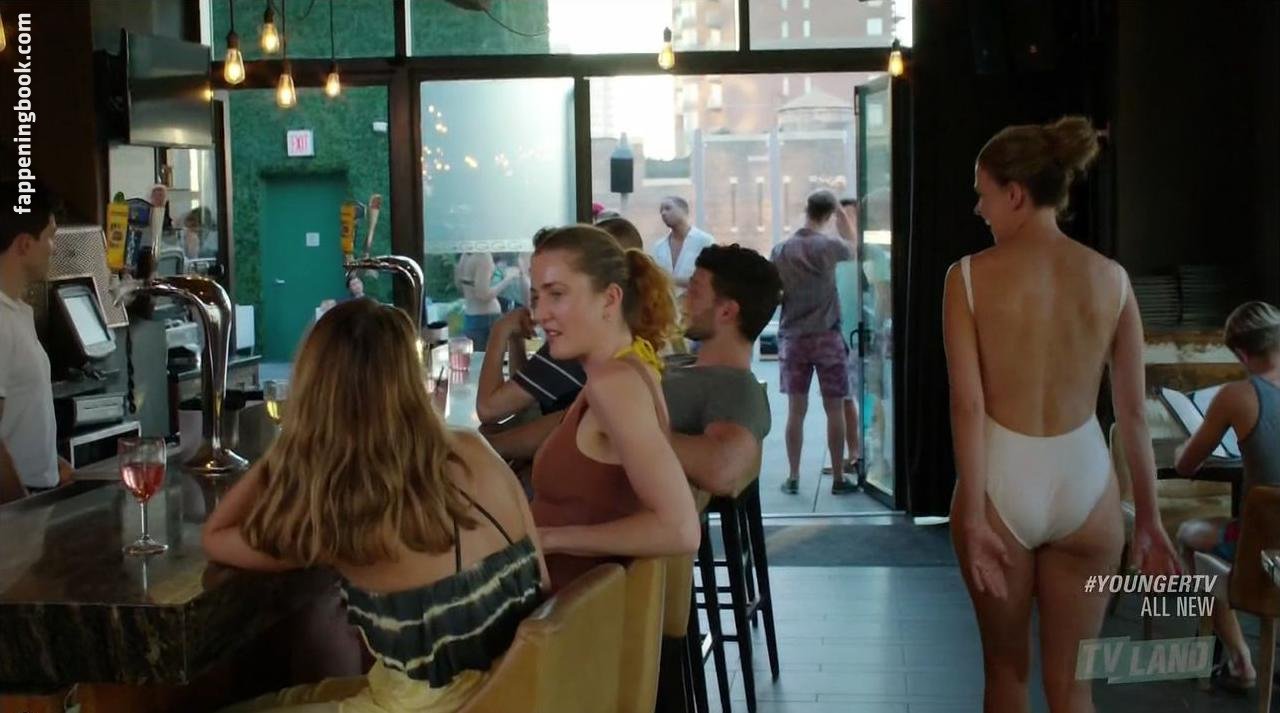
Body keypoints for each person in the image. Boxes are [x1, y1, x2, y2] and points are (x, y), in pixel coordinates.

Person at [204, 299, 548, 713]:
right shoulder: (476, 449)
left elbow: (216, 537)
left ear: (313, 391)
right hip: (518, 693)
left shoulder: (344, 511)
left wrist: (292, 440)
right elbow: (542, 583)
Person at [944, 116, 1180, 712]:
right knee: (1075, 688)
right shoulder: (1112, 278)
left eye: (983, 193)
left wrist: (972, 517)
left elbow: (968, 406)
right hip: (1088, 487)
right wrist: (1149, 519)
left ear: (1015, 194)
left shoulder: (967, 279)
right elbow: (1132, 411)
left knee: (1005, 676)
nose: (979, 209)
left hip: (1001, 487)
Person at [527, 225, 699, 592]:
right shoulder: (630, 364)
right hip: (569, 602)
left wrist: (549, 538)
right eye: (536, 297)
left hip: (564, 609)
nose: (540, 314)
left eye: (556, 295)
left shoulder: (614, 384)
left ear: (609, 299)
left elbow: (680, 529)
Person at [1174, 301, 1280, 692]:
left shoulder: (1237, 396)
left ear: (1242, 354)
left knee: (1187, 535)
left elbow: (1186, 465)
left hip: (1261, 550)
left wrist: (1182, 448)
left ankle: (1240, 661)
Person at [664, 244, 779, 495]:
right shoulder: (678, 361)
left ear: (726, 311)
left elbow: (722, 470)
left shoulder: (737, 389)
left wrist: (625, 431)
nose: (683, 300)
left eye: (694, 292)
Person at [771, 189, 859, 495]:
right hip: (827, 338)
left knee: (796, 411)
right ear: (829, 214)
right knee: (834, 409)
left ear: (806, 210)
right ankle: (838, 478)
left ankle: (793, 476)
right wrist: (843, 216)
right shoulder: (829, 246)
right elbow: (854, 248)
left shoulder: (781, 250)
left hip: (793, 339)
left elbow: (775, 292)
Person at [1, 180, 73, 503]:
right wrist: (23, 507)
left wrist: (49, 463)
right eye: (50, 237)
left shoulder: (16, 312)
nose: (53, 248)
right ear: (25, 245)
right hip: (16, 510)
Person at [821, 197, 864, 480]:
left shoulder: (865, 253)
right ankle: (853, 454)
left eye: (847, 218)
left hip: (861, 337)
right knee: (844, 400)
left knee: (862, 400)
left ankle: (863, 457)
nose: (841, 223)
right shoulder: (834, 255)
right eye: (838, 218)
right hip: (838, 337)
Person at [649, 196, 715, 295]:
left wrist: (671, 280)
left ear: (684, 211)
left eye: (668, 208)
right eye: (661, 211)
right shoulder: (658, 247)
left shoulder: (705, 241)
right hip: (665, 302)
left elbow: (711, 278)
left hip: (695, 300)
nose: (663, 213)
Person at [454, 252, 520, 348]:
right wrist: (508, 278)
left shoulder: (466, 255)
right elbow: (483, 294)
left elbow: (459, 285)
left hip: (471, 317)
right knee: (495, 356)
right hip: (486, 321)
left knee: (477, 356)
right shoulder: (483, 256)